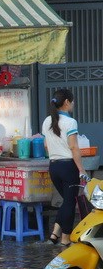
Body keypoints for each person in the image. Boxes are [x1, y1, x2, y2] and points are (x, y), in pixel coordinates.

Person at [42, 89, 87, 247]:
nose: (73, 104)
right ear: (67, 102)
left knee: (67, 201)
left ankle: (55, 234)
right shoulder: (70, 122)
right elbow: (74, 147)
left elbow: (46, 146)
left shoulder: (47, 121)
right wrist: (81, 170)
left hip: (53, 167)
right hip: (68, 167)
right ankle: (65, 238)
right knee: (69, 202)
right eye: (72, 101)